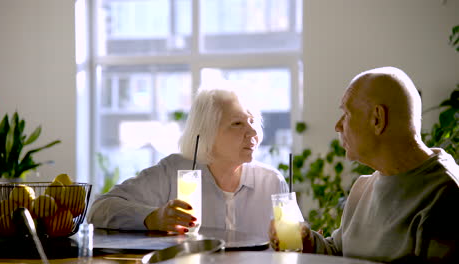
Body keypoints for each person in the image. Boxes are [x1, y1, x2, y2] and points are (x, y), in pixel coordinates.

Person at [269, 66, 459, 263]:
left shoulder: (445, 195)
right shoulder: (362, 188)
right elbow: (339, 252)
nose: (337, 125)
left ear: (377, 119)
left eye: (347, 114)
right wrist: (307, 241)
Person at [88, 83, 288, 237]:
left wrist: (305, 239)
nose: (253, 132)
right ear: (207, 133)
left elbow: (293, 243)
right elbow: (99, 210)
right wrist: (153, 217)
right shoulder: (172, 173)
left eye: (252, 121)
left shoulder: (272, 182)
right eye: (237, 123)